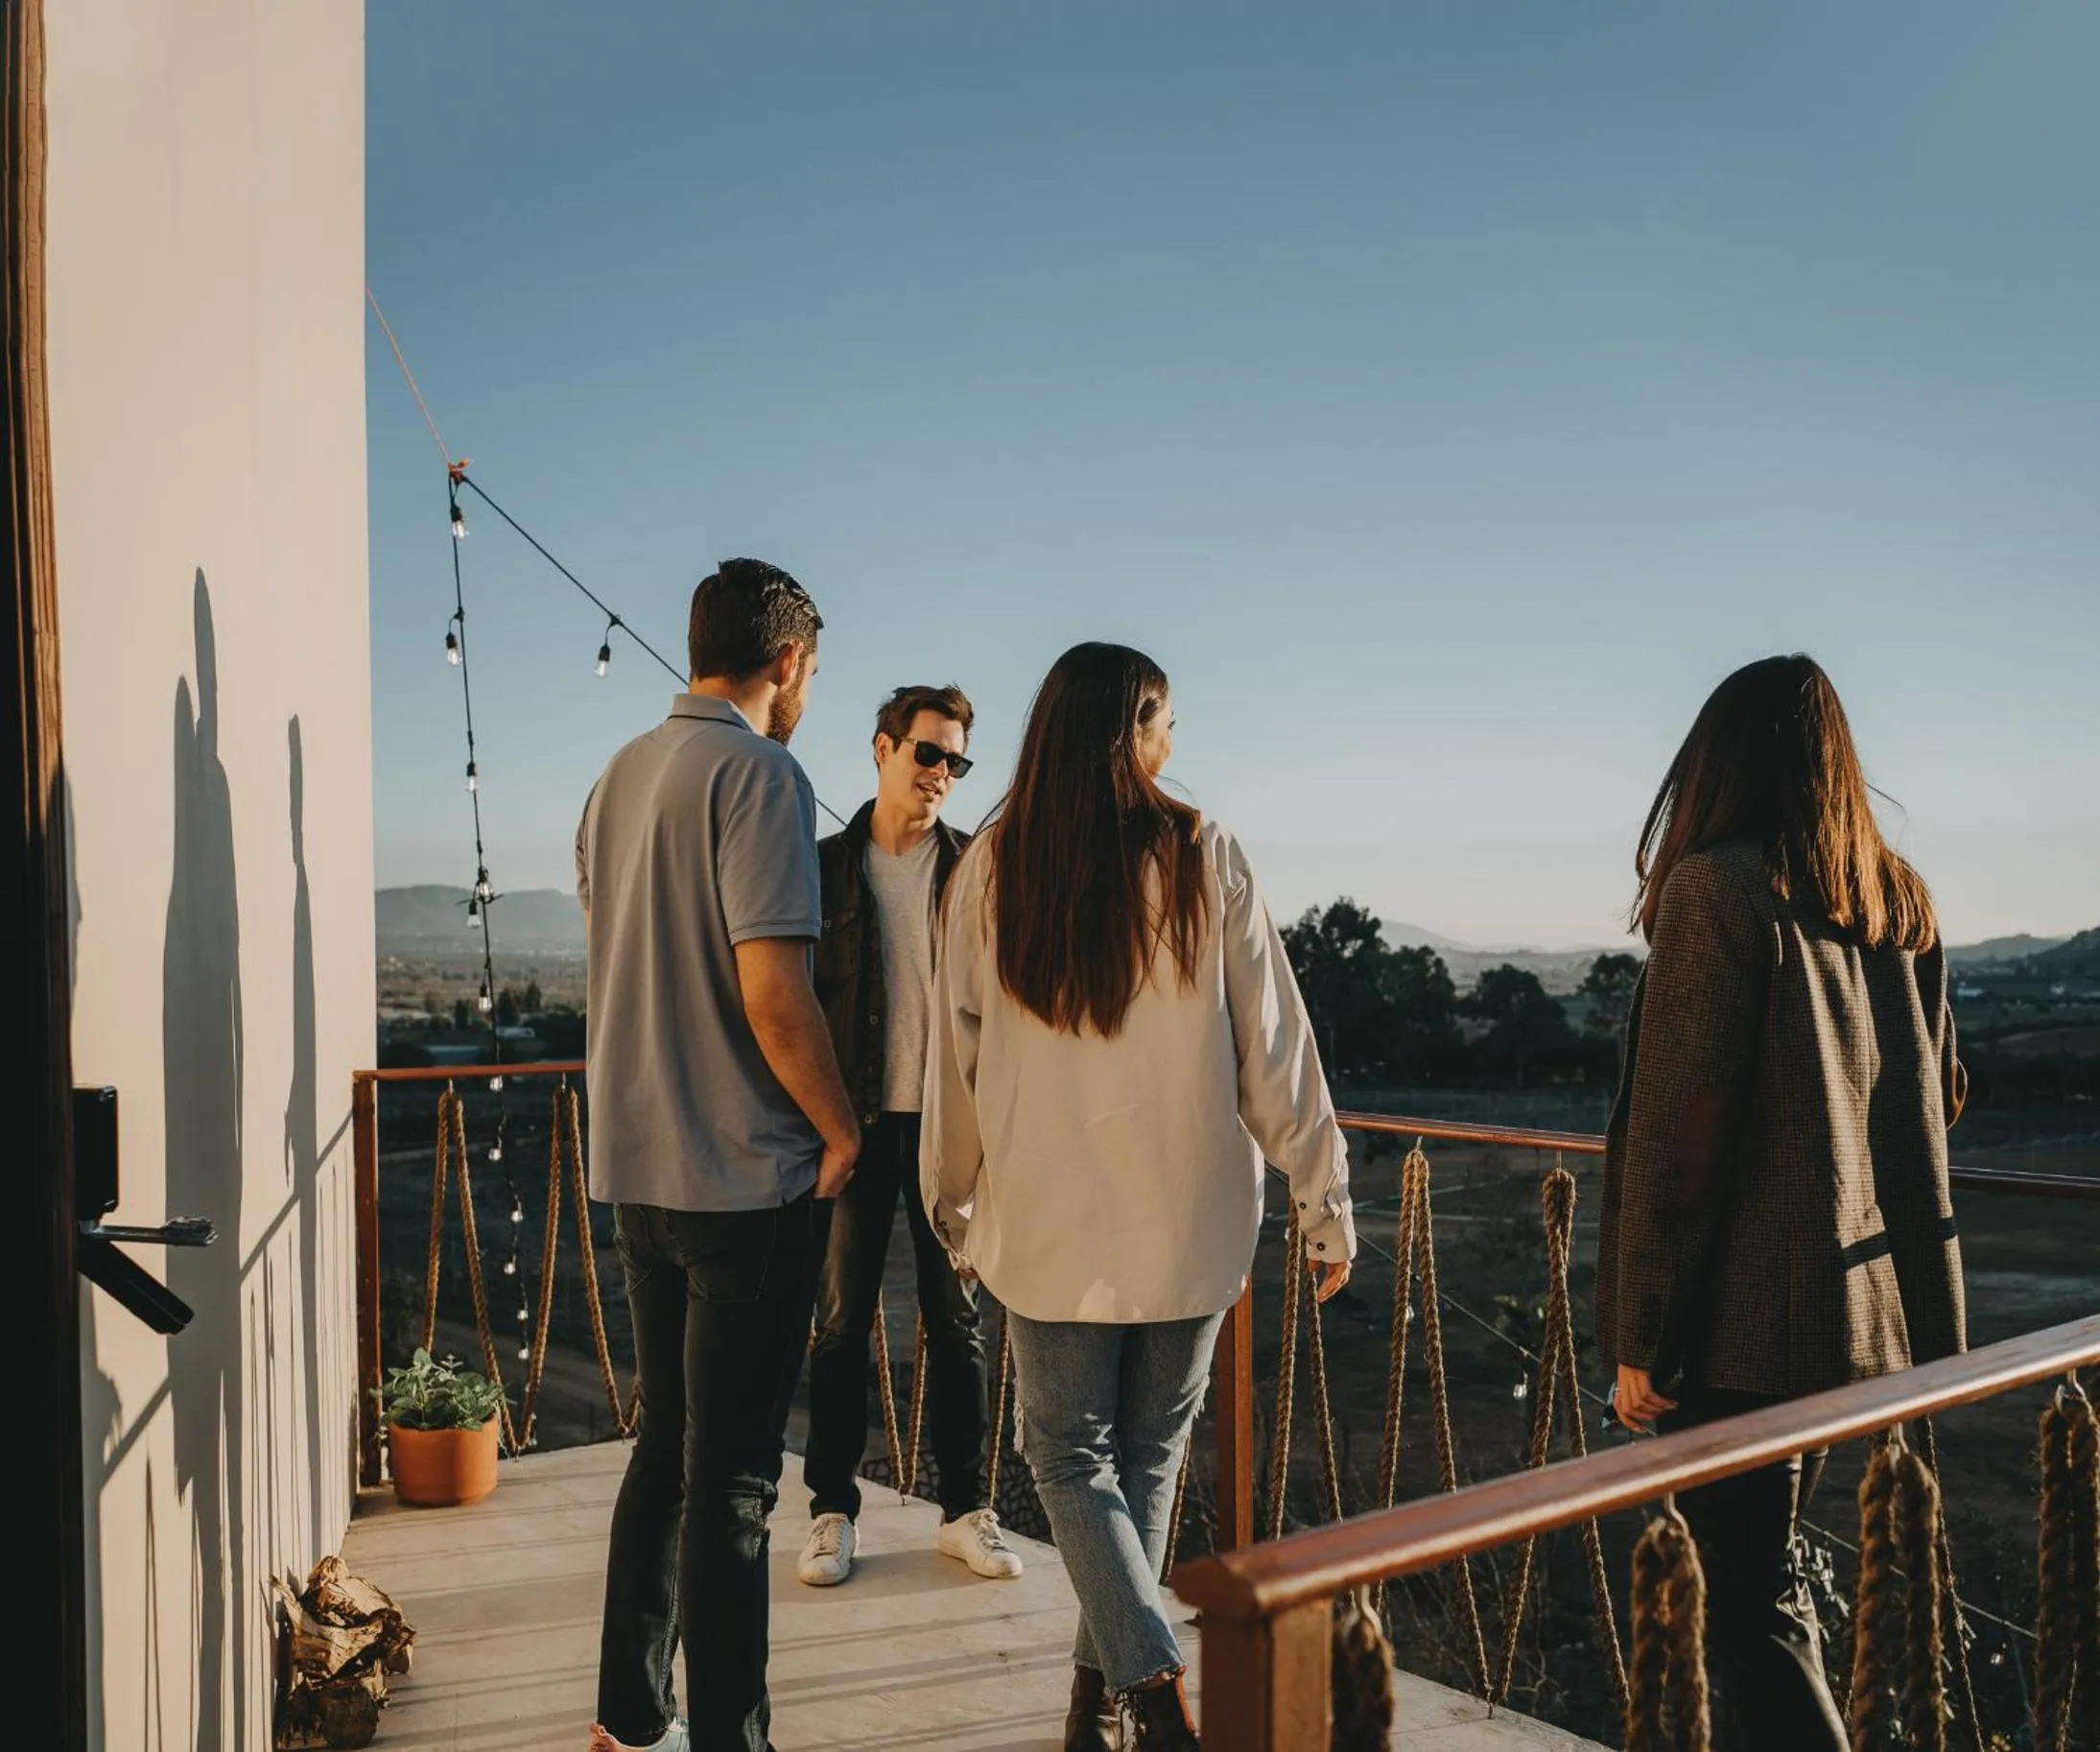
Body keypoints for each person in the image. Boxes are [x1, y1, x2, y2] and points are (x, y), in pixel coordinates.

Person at [921, 642, 1357, 1752]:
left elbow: (952, 1059)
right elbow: (1273, 1045)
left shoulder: (988, 867)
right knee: (1142, 1458)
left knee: (1068, 1457)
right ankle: (1125, 1702)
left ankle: (1132, 1699)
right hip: (1191, 1219)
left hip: (1048, 1225)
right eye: (1165, 724)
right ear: (1134, 727)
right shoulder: (1204, 852)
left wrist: (952, 1200)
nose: (1174, 748)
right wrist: (1322, 1190)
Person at [1595, 652, 1968, 1752]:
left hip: (1736, 1324)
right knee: (1763, 1575)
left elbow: (1682, 1139)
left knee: (1736, 1600)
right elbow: (1943, 1091)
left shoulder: (1715, 884)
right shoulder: (1896, 893)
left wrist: (1641, 1334)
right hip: (1867, 1304)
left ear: (1710, 764)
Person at [577, 558, 861, 1752]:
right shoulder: (762, 773)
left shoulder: (616, 776)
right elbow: (773, 992)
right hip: (741, 1180)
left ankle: (627, 1717)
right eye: (810, 673)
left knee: (665, 1448)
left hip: (633, 1167)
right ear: (787, 659)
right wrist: (842, 1127)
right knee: (736, 1482)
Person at [797, 684, 1025, 1586]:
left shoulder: (976, 871)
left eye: (956, 762)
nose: (941, 774)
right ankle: (830, 1514)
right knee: (842, 1326)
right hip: (849, 1129)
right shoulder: (820, 866)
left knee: (956, 1322)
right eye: (927, 753)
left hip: (950, 1136)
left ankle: (966, 1512)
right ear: (882, 750)